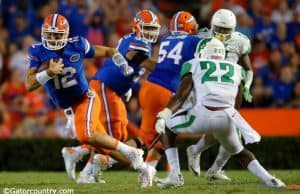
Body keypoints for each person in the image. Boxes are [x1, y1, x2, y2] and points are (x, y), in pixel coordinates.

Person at [25, 13, 155, 188]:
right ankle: (144, 168)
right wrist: (48, 72)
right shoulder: (37, 51)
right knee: (104, 146)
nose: (53, 38)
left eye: (57, 34)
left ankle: (127, 152)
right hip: (69, 107)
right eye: (50, 34)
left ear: (66, 33)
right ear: (43, 33)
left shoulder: (77, 45)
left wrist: (122, 64)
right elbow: (29, 84)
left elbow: (108, 51)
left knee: (85, 134)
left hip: (85, 97)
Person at [154, 37, 286, 188]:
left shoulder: (194, 64)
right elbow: (237, 102)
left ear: (202, 52)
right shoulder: (236, 69)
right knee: (240, 152)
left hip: (202, 115)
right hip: (227, 116)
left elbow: (181, 96)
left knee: (166, 127)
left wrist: (165, 114)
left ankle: (175, 175)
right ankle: (270, 179)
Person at [60, 10, 160, 185]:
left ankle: (80, 158)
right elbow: (142, 61)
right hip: (106, 87)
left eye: (153, 28)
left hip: (113, 89)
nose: (151, 32)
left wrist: (127, 85)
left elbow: (131, 64)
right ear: (137, 27)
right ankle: (89, 169)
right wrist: (172, 68)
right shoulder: (138, 42)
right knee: (113, 137)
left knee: (118, 135)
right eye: (147, 28)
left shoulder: (138, 41)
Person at [125, 11, 200, 171]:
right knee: (162, 135)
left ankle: (148, 170)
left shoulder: (167, 39)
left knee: (154, 136)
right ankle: (105, 158)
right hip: (166, 92)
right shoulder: (194, 40)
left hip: (149, 86)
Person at [187, 8, 254, 180]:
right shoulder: (202, 37)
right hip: (207, 89)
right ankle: (212, 168)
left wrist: (246, 86)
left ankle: (198, 154)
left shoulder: (240, 41)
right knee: (230, 133)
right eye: (220, 28)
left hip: (230, 91)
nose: (222, 33)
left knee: (223, 131)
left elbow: (248, 69)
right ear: (212, 26)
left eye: (226, 30)